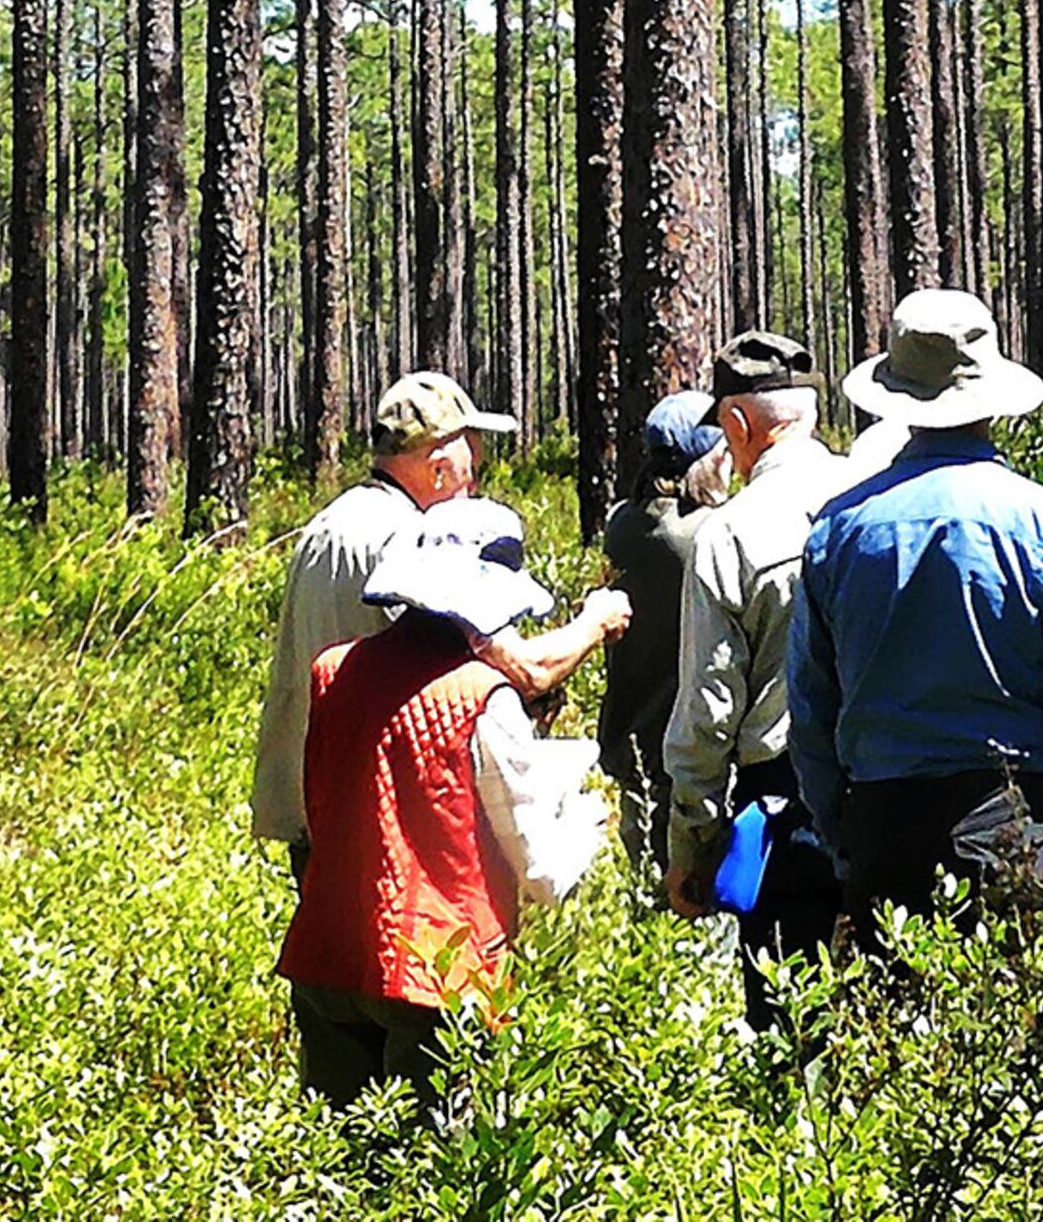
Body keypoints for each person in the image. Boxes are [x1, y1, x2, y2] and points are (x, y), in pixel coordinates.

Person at [788, 289, 1043, 929]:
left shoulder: (835, 532)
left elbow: (811, 713)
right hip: (1023, 832)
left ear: (898, 398)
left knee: (889, 1025)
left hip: (884, 836)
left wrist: (845, 838)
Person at [276, 501, 617, 1105]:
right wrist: (589, 821)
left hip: (327, 954)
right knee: (434, 1174)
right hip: (437, 976)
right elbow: (541, 869)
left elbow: (328, 803)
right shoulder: (485, 698)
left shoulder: (333, 670)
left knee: (336, 1165)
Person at [253, 370, 621, 865]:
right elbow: (525, 670)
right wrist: (596, 621)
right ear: (440, 467)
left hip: (317, 818)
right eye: (473, 460)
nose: (477, 477)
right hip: (389, 828)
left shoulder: (327, 524)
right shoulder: (412, 546)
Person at [661, 330, 859, 1020]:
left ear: (739, 424)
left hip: (786, 811)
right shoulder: (876, 502)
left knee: (791, 1037)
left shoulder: (730, 533)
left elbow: (710, 706)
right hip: (888, 797)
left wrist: (692, 842)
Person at [596, 391, 725, 891]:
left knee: (644, 885)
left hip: (630, 737)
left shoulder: (623, 525)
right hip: (690, 747)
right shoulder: (706, 534)